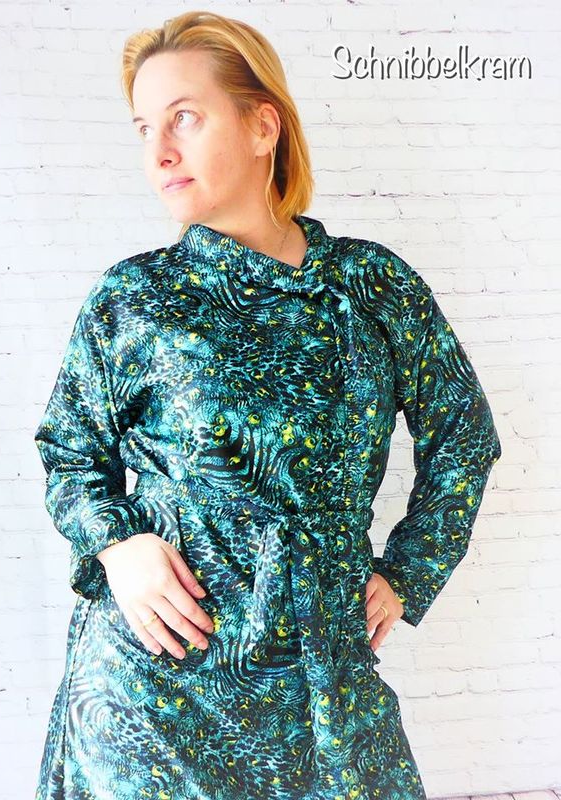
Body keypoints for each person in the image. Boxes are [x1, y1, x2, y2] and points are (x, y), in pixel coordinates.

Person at [33, 10, 502, 800]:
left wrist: (409, 572)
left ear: (262, 125)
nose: (159, 151)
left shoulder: (371, 286)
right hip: (150, 690)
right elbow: (69, 452)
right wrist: (118, 546)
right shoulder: (134, 297)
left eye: (184, 116)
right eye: (144, 127)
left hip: (324, 676)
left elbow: (463, 433)